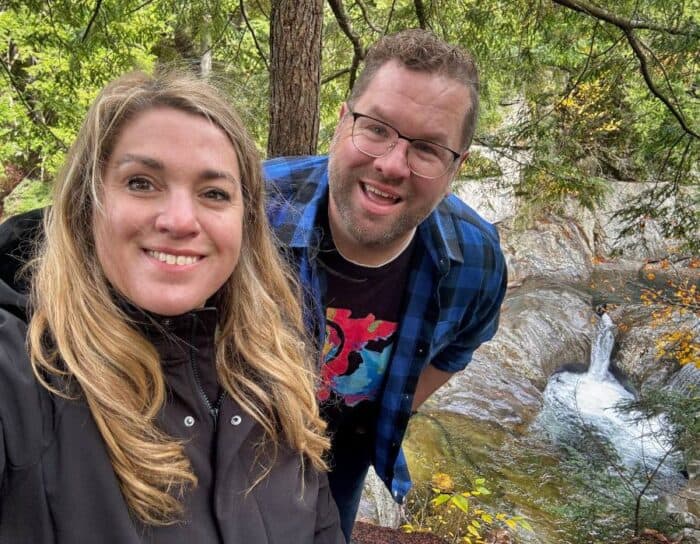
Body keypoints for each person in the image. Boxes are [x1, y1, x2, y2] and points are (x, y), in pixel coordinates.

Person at [0, 70, 344, 543]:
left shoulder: (277, 368)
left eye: (214, 193)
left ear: (245, 223)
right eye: (141, 183)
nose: (180, 220)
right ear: (87, 203)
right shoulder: (22, 374)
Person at [264, 29, 507, 540]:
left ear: (455, 167)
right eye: (376, 129)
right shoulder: (251, 205)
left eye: (426, 148)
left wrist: (388, 407)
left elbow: (462, 345)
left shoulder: (477, 263)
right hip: (230, 434)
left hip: (344, 453)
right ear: (341, 122)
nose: (392, 164)